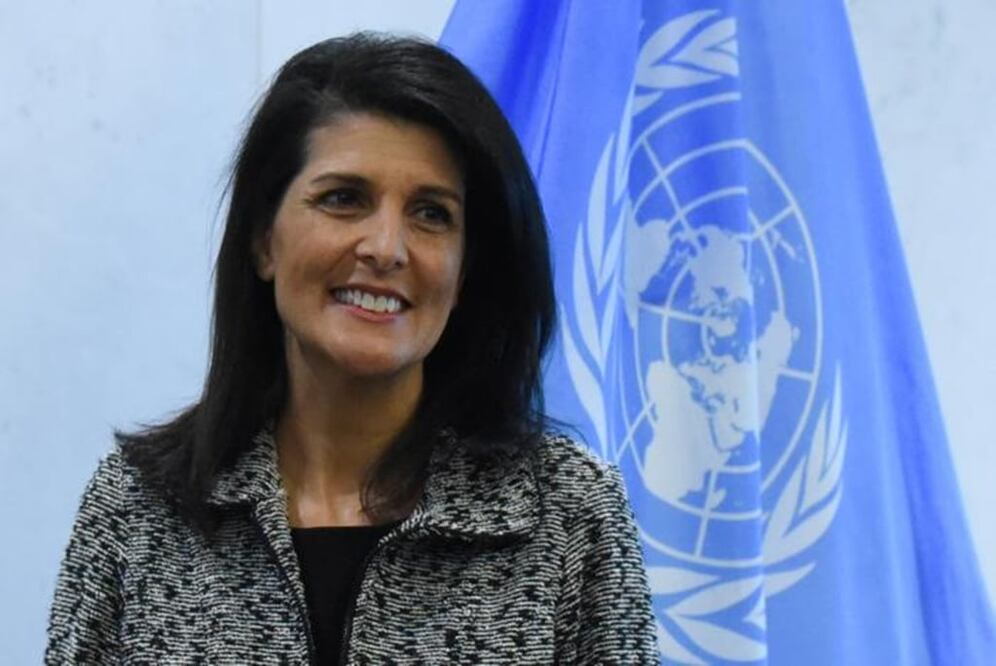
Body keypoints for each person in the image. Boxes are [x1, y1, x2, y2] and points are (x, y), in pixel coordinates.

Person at [46, 33, 658, 664]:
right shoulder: (140, 507)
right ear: (263, 241)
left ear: (465, 271)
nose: (387, 247)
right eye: (344, 199)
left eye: (431, 213)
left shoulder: (569, 514)